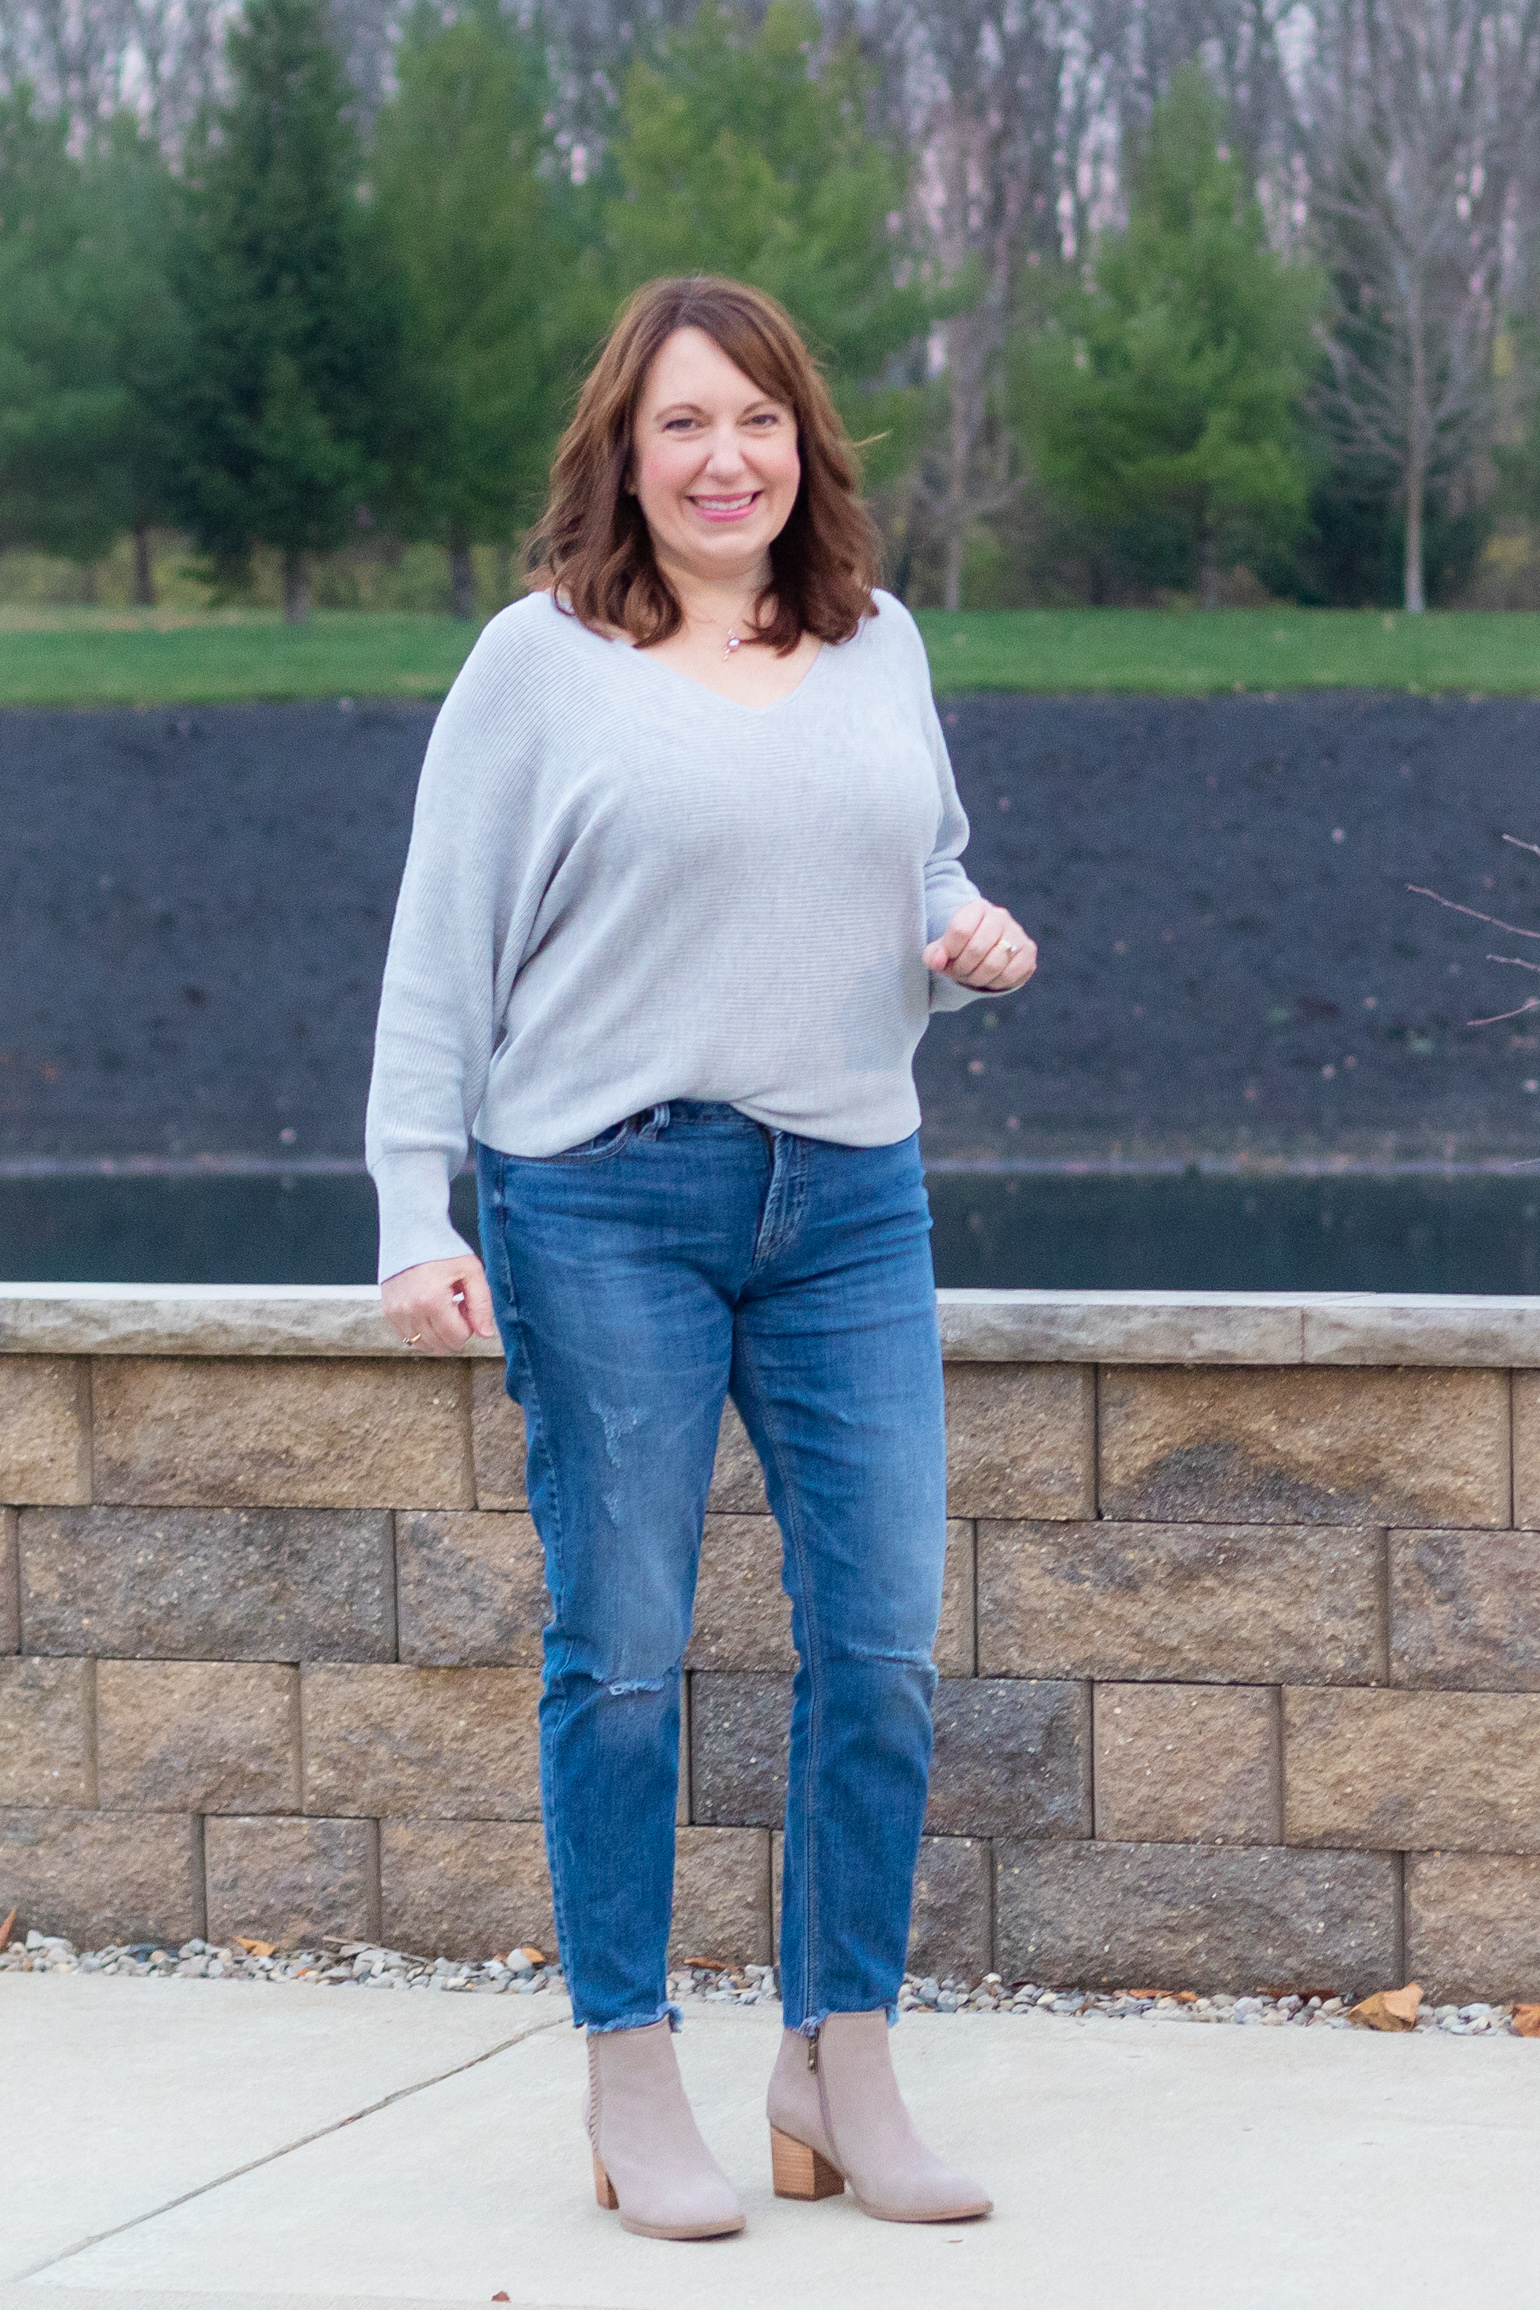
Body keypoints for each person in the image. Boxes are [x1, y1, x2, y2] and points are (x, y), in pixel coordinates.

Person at [367, 275, 1036, 2242]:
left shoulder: (875, 642)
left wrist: (962, 930)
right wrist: (418, 1213)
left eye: (755, 420)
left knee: (885, 1652)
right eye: (682, 425)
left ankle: (838, 2064)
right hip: (601, 1200)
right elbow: (440, 951)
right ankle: (628, 2077)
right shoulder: (537, 663)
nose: (723, 457)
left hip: (847, 1201)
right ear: (624, 453)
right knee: (626, 1661)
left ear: (800, 445)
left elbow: (910, 861)